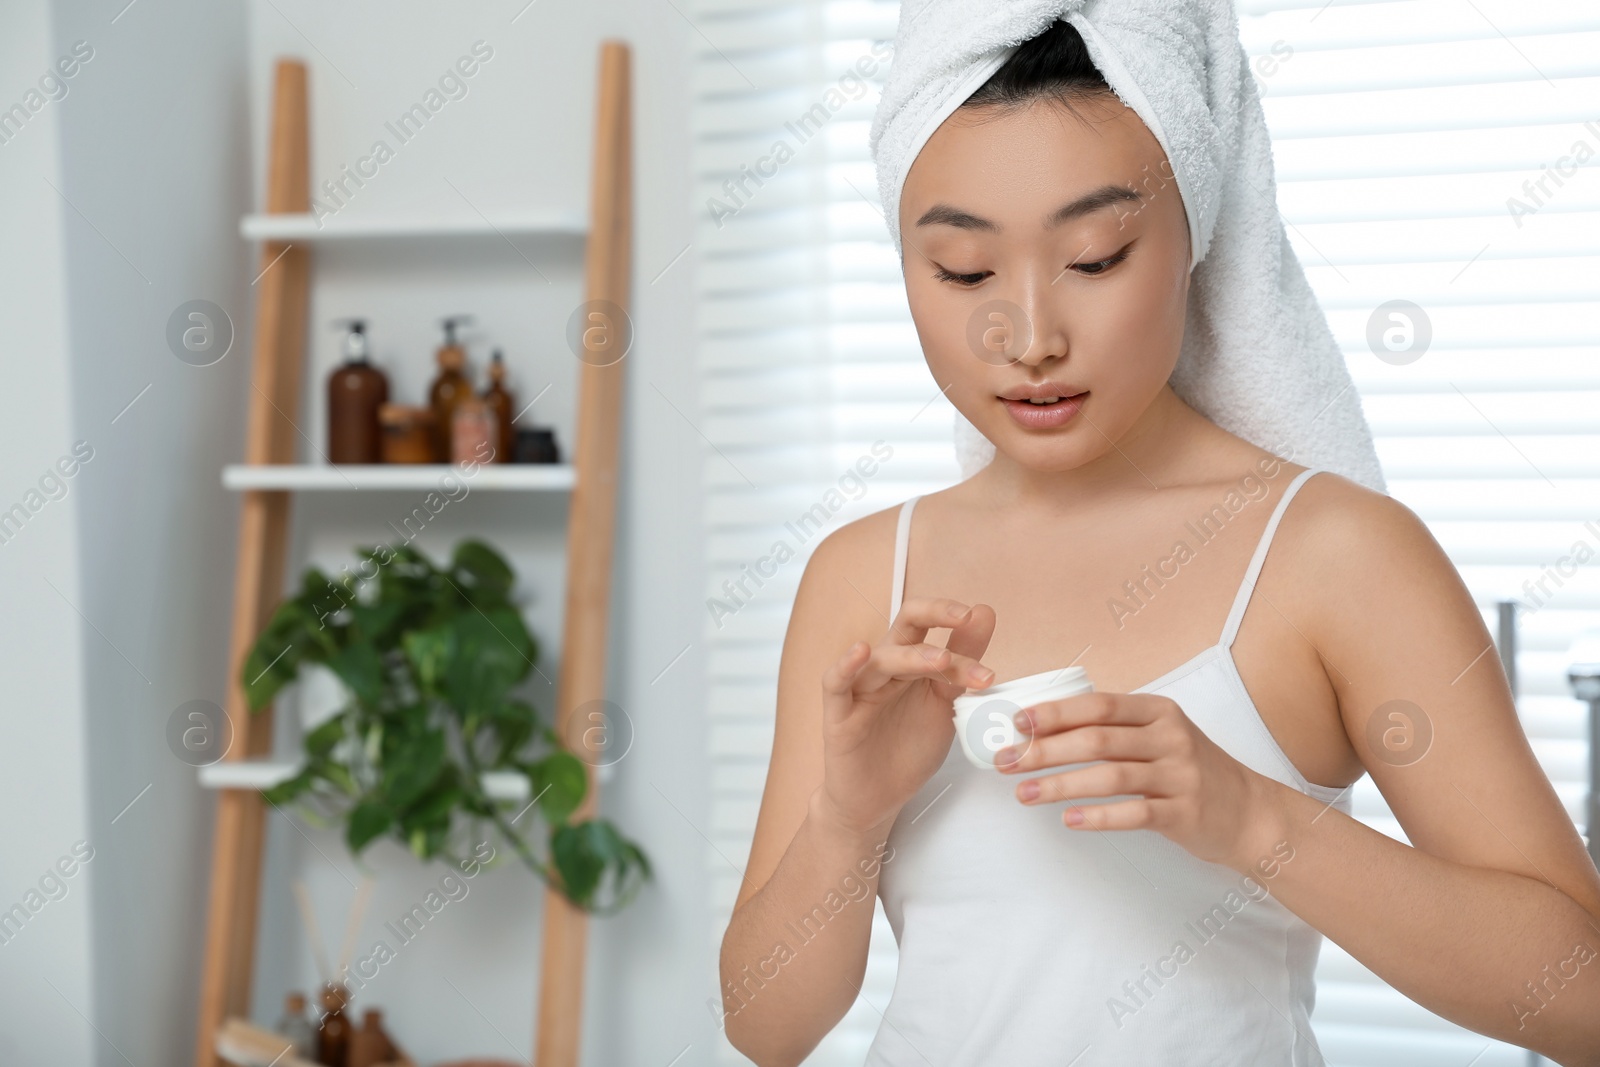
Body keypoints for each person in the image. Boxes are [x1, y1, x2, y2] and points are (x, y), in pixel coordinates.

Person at [717, 15, 1600, 1067]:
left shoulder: (1336, 556)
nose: (1029, 335)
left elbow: (1579, 994)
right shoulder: (865, 575)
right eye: (961, 271)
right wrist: (845, 820)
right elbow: (764, 1028)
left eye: (1095, 258)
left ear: (1197, 233)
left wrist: (1249, 818)